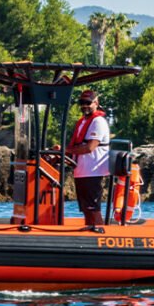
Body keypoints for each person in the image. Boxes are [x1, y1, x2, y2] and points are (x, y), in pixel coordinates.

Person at [65, 89, 110, 229]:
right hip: (82, 171)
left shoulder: (98, 121)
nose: (84, 106)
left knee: (93, 208)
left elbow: (89, 147)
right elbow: (77, 146)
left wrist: (66, 150)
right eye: (81, 103)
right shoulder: (83, 122)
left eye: (87, 103)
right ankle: (89, 233)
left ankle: (99, 233)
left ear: (96, 103)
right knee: (86, 208)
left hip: (94, 171)